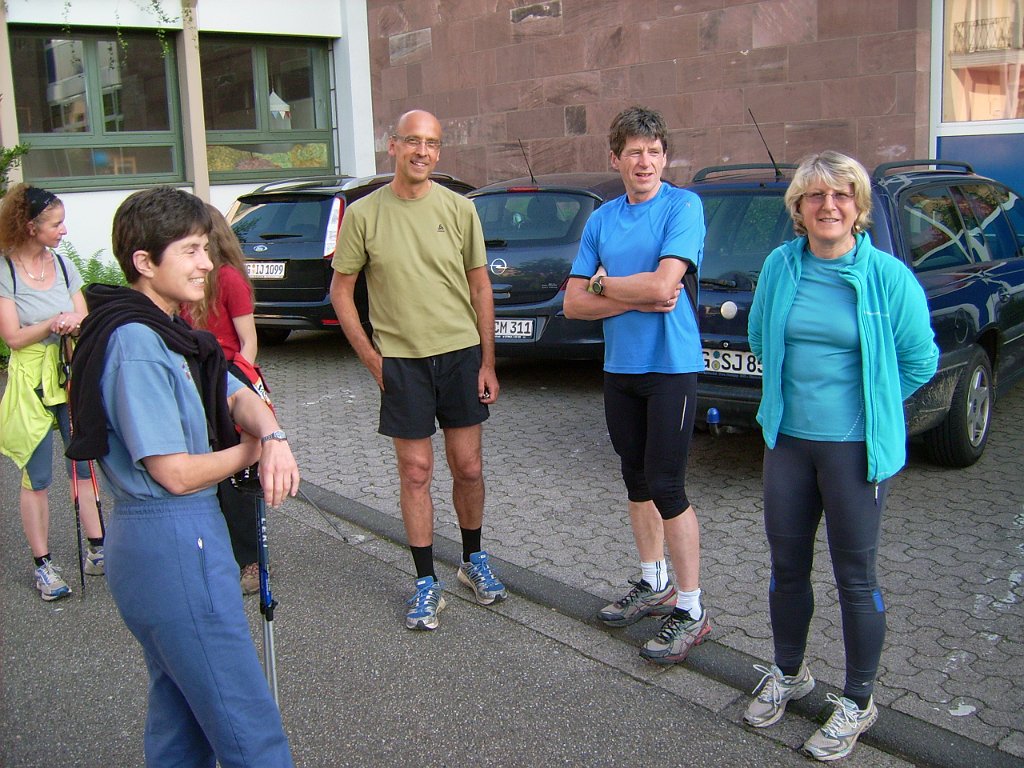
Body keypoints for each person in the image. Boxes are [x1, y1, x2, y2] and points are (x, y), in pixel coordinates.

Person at [67, 186, 298, 766]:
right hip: (171, 537)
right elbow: (173, 472)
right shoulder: (139, 342)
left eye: (208, 248)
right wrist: (252, 452)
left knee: (182, 724)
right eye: (192, 250)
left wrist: (271, 434)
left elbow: (233, 389)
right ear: (145, 263)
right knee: (249, 727)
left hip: (169, 540)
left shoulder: (169, 334)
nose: (207, 264)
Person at [744, 151, 938, 761]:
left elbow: (920, 361)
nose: (829, 206)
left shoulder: (887, 277)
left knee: (856, 579)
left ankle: (857, 700)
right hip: (788, 444)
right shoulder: (780, 266)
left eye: (842, 196)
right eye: (816, 196)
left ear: (858, 209)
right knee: (787, 567)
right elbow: (758, 336)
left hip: (855, 452)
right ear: (798, 209)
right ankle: (789, 673)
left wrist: (874, 407)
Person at [330, 108, 507, 631]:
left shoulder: (459, 209)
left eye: (431, 143)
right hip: (401, 362)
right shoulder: (363, 214)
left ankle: (472, 561)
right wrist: (371, 358)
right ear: (393, 146)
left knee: (468, 468)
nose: (422, 152)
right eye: (413, 141)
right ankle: (425, 582)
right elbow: (341, 291)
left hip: (460, 356)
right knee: (416, 472)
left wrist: (488, 361)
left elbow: (480, 287)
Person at [563, 105, 710, 665]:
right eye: (633, 152)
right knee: (635, 478)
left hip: (670, 365)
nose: (644, 161)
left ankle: (692, 609)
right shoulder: (602, 220)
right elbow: (574, 304)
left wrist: (602, 284)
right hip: (620, 368)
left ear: (664, 157)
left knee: (668, 484)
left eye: (653, 151)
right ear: (615, 159)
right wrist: (627, 289)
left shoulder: (683, 206)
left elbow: (666, 288)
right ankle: (654, 583)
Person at [0, 183, 105, 601]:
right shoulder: (5, 271)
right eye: (56, 223)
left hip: (68, 375)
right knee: (38, 475)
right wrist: (51, 324)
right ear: (30, 227)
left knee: (83, 466)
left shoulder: (63, 266)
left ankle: (98, 549)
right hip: (32, 384)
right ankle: (43, 565)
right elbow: (12, 337)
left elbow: (83, 316)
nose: (64, 231)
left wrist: (71, 322)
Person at [181, 203, 263, 595]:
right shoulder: (180, 285)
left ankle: (251, 561)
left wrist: (233, 386)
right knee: (201, 472)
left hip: (227, 381)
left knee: (237, 480)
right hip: (191, 381)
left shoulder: (229, 279)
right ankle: (213, 554)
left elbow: (248, 343)